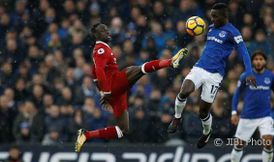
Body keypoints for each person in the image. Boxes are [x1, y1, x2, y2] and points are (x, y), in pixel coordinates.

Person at [75, 23, 188, 152]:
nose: (108, 32)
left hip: (115, 92)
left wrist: (102, 92)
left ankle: (86, 135)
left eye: (107, 29)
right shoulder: (101, 49)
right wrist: (106, 92)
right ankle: (170, 62)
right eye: (104, 31)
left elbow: (94, 73)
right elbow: (99, 71)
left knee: (123, 130)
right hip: (113, 84)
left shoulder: (98, 50)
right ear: (97, 35)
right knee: (138, 69)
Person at [168, 3, 257, 148]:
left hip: (215, 75)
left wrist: (249, 72)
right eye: (211, 16)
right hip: (199, 68)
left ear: (224, 16)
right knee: (183, 91)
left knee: (202, 112)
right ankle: (176, 118)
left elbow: (244, 52)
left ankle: (207, 133)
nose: (213, 19)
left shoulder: (233, 32)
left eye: (215, 16)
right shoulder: (209, 28)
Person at [224, 51, 274, 162]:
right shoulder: (246, 75)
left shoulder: (271, 76)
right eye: (256, 59)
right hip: (247, 116)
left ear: (265, 61)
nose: (258, 61)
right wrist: (234, 112)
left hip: (265, 116)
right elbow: (236, 94)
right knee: (239, 144)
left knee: (268, 142)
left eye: (261, 59)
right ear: (252, 62)